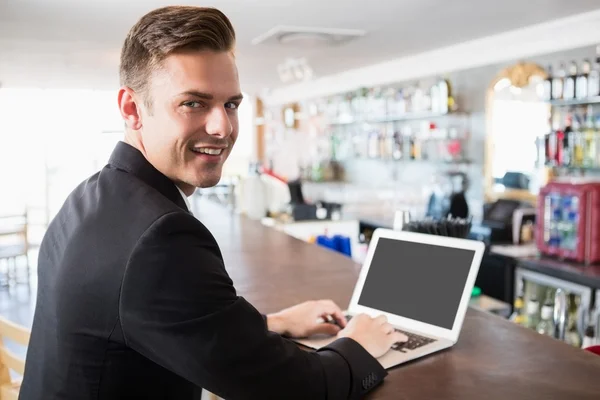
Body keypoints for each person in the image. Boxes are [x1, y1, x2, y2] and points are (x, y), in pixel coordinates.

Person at [19, 6, 405, 400]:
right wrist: (358, 343)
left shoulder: (89, 197)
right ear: (132, 109)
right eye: (193, 103)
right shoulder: (161, 239)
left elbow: (154, 319)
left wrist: (272, 323)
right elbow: (298, 390)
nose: (223, 127)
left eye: (231, 104)